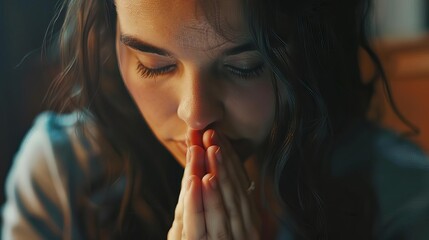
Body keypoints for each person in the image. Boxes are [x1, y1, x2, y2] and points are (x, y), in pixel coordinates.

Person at [2, 0, 429, 239]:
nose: (196, 113)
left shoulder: (402, 200)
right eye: (153, 64)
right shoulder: (61, 180)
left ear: (309, 49)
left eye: (244, 67)